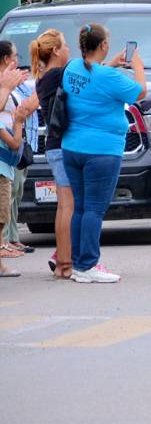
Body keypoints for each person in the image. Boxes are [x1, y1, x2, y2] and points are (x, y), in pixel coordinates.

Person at [60, 24, 147, 282]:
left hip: (72, 146)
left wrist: (110, 63)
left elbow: (92, 79)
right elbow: (139, 92)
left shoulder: (73, 67)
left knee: (80, 207)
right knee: (95, 210)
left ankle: (78, 263)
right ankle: (88, 264)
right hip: (102, 150)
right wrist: (138, 66)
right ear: (104, 46)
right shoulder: (109, 78)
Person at [31, 30, 74, 278]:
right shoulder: (59, 74)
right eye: (66, 45)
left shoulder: (44, 76)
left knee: (63, 206)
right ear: (56, 50)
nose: (69, 49)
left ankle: (61, 258)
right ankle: (65, 263)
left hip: (53, 146)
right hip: (61, 146)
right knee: (69, 205)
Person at [0, 41, 37, 260]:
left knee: (10, 198)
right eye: (15, 55)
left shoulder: (16, 83)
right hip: (5, 150)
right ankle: (4, 244)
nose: (17, 60)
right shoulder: (6, 85)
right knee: (4, 201)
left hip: (12, 152)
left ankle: (7, 241)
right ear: (6, 59)